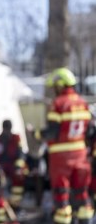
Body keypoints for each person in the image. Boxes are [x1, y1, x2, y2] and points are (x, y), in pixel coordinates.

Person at [33, 67, 93, 224]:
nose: (54, 90)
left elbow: (51, 133)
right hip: (80, 156)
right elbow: (89, 131)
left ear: (60, 84)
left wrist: (37, 134)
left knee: (62, 197)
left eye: (55, 86)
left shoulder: (58, 104)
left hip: (61, 159)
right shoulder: (83, 103)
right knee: (82, 194)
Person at [0, 119, 27, 210]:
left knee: (19, 177)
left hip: (13, 166)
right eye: (6, 129)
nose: (7, 131)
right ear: (3, 128)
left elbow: (21, 154)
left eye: (8, 129)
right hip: (1, 167)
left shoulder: (16, 138)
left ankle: (16, 204)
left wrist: (18, 166)